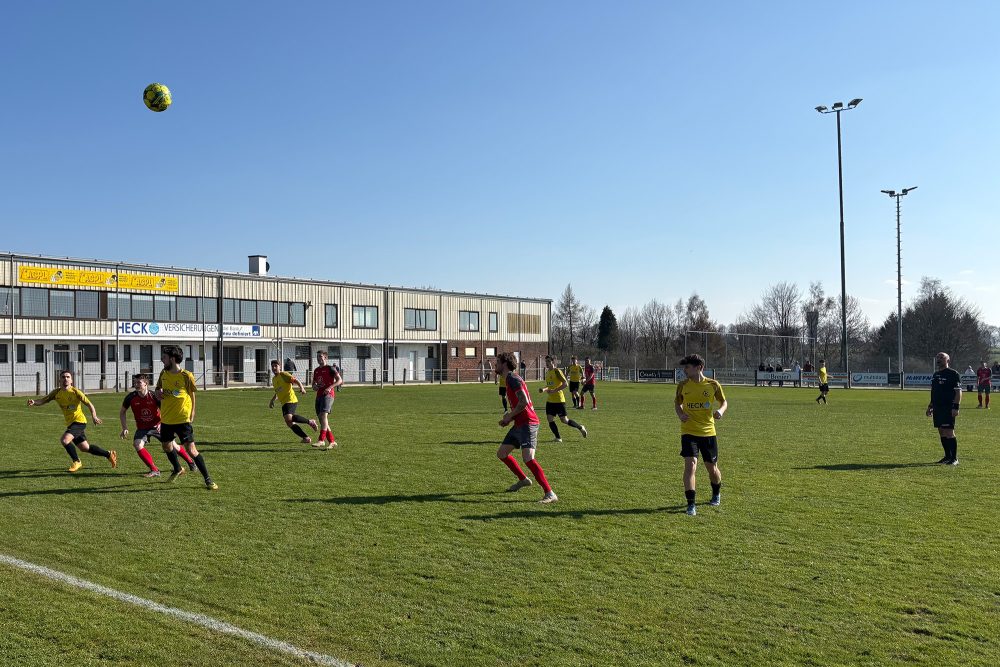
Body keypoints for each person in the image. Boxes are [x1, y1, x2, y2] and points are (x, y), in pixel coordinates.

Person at [495, 351, 557, 503]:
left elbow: (523, 402)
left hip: (528, 423)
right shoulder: (509, 379)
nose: (495, 365)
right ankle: (523, 480)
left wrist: (509, 416)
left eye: (497, 362)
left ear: (504, 364)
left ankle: (550, 493)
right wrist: (509, 419)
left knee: (528, 458)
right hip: (519, 423)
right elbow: (520, 404)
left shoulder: (513, 379)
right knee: (502, 453)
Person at [27, 370, 117, 473]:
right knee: (85, 448)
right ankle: (109, 454)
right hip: (71, 423)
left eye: (68, 377)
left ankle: (77, 461)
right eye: (63, 377)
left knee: (65, 440)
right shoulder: (56, 393)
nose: (65, 379)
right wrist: (34, 402)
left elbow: (89, 404)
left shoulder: (76, 392)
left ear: (71, 380)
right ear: (59, 380)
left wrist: (94, 416)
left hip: (79, 422)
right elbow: (43, 400)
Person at [155, 345, 217, 490]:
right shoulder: (163, 373)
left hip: (182, 418)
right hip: (166, 418)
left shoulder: (186, 375)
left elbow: (192, 394)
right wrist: (158, 392)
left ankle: (208, 479)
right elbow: (158, 388)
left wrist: (192, 412)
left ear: (172, 359)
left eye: (164, 357)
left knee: (191, 450)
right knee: (166, 446)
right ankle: (177, 468)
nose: (162, 359)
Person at [674, 354, 727, 516]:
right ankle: (691, 504)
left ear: (699, 368)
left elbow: (724, 402)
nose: (684, 370)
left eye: (687, 367)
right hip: (688, 431)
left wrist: (720, 411)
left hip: (708, 432)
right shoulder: (683, 385)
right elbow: (677, 402)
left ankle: (716, 492)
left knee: (712, 468)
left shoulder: (713, 384)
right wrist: (681, 414)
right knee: (690, 465)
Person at [119, 374, 195, 477]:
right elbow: (122, 412)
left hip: (157, 425)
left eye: (139, 382)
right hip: (142, 428)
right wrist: (124, 428)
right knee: (137, 444)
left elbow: (165, 410)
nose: (136, 385)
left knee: (174, 446)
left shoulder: (154, 396)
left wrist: (162, 423)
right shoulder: (130, 397)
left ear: (146, 384)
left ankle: (191, 462)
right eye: (135, 382)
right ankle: (154, 470)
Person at [539, 355, 587, 442]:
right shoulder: (547, 372)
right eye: (546, 361)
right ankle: (558, 438)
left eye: (548, 361)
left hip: (559, 400)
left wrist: (554, 390)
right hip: (550, 400)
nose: (547, 363)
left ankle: (580, 427)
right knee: (549, 419)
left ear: (553, 362)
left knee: (564, 420)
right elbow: (549, 385)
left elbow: (565, 384)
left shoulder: (557, 371)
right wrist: (544, 389)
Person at [270, 360, 318, 444]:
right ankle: (306, 438)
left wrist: (302, 388)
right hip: (284, 402)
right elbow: (278, 391)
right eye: (272, 366)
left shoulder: (284, 375)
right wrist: (272, 400)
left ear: (280, 367)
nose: (274, 368)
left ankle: (310, 422)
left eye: (276, 366)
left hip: (290, 399)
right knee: (289, 423)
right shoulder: (274, 379)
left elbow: (296, 381)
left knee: (289, 418)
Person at [926, 352, 961, 465]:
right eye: (938, 357)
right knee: (941, 431)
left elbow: (958, 392)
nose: (939, 359)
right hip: (937, 407)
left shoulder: (953, 374)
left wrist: (956, 407)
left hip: (948, 407)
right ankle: (947, 456)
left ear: (948, 360)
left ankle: (954, 459)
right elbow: (934, 392)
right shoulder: (935, 375)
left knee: (949, 432)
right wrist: (930, 406)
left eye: (942, 357)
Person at [311, 350, 343, 449]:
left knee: (323, 416)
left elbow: (340, 380)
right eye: (317, 357)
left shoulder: (331, 368)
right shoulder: (316, 370)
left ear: (325, 358)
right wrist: (314, 386)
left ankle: (321, 440)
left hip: (328, 395)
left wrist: (329, 387)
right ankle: (332, 441)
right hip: (319, 396)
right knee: (322, 419)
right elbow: (313, 384)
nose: (318, 358)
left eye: (320, 356)